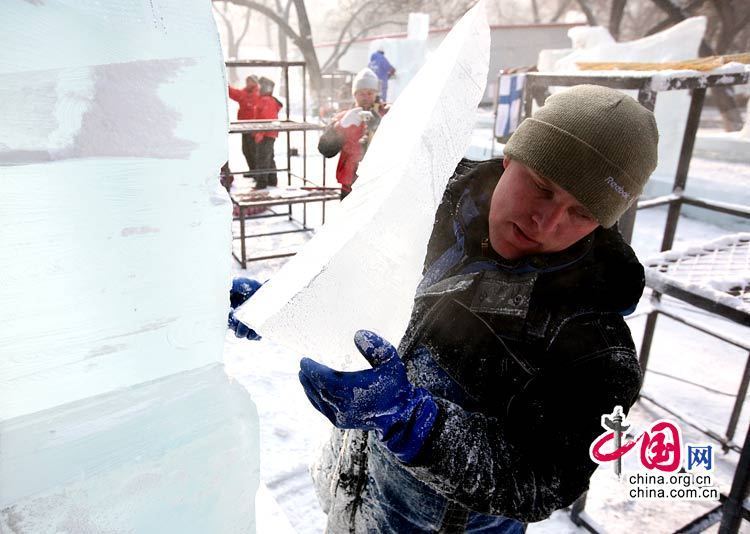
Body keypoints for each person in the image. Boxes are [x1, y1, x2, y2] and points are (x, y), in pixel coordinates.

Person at [298, 85, 659, 532]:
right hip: (353, 496)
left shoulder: (591, 345)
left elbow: (540, 480)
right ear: (511, 158)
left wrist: (418, 425)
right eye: (542, 187)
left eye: (581, 213)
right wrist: (291, 299)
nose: (545, 223)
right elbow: (367, 278)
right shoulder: (429, 207)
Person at [318, 68, 389, 200]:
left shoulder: (388, 114)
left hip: (378, 186)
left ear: (376, 94)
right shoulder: (343, 117)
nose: (366, 97)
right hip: (349, 187)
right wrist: (340, 127)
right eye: (361, 93)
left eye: (370, 93)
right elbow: (326, 150)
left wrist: (379, 126)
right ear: (354, 94)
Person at [253, 76, 283, 189]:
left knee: (263, 158)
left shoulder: (266, 101)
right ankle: (271, 180)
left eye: (260, 87)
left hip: (266, 133)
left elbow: (266, 120)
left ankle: (262, 182)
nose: (258, 89)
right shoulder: (266, 100)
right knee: (268, 157)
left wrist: (260, 133)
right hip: (267, 133)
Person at [228, 75, 259, 175]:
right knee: (246, 150)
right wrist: (226, 87)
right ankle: (253, 170)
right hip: (244, 127)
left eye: (250, 81)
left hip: (253, 128)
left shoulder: (256, 94)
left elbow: (241, 97)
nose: (248, 83)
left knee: (253, 151)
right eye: (247, 81)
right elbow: (235, 93)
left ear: (255, 82)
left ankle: (256, 172)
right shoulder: (245, 92)